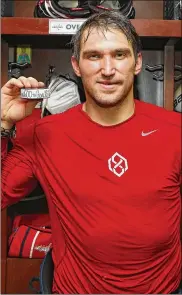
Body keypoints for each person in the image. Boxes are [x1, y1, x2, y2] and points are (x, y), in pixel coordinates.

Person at [1, 11, 182, 294]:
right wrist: (3, 124)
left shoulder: (175, 130)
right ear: (76, 65)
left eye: (119, 55)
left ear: (138, 62)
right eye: (94, 56)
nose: (107, 69)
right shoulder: (44, 133)